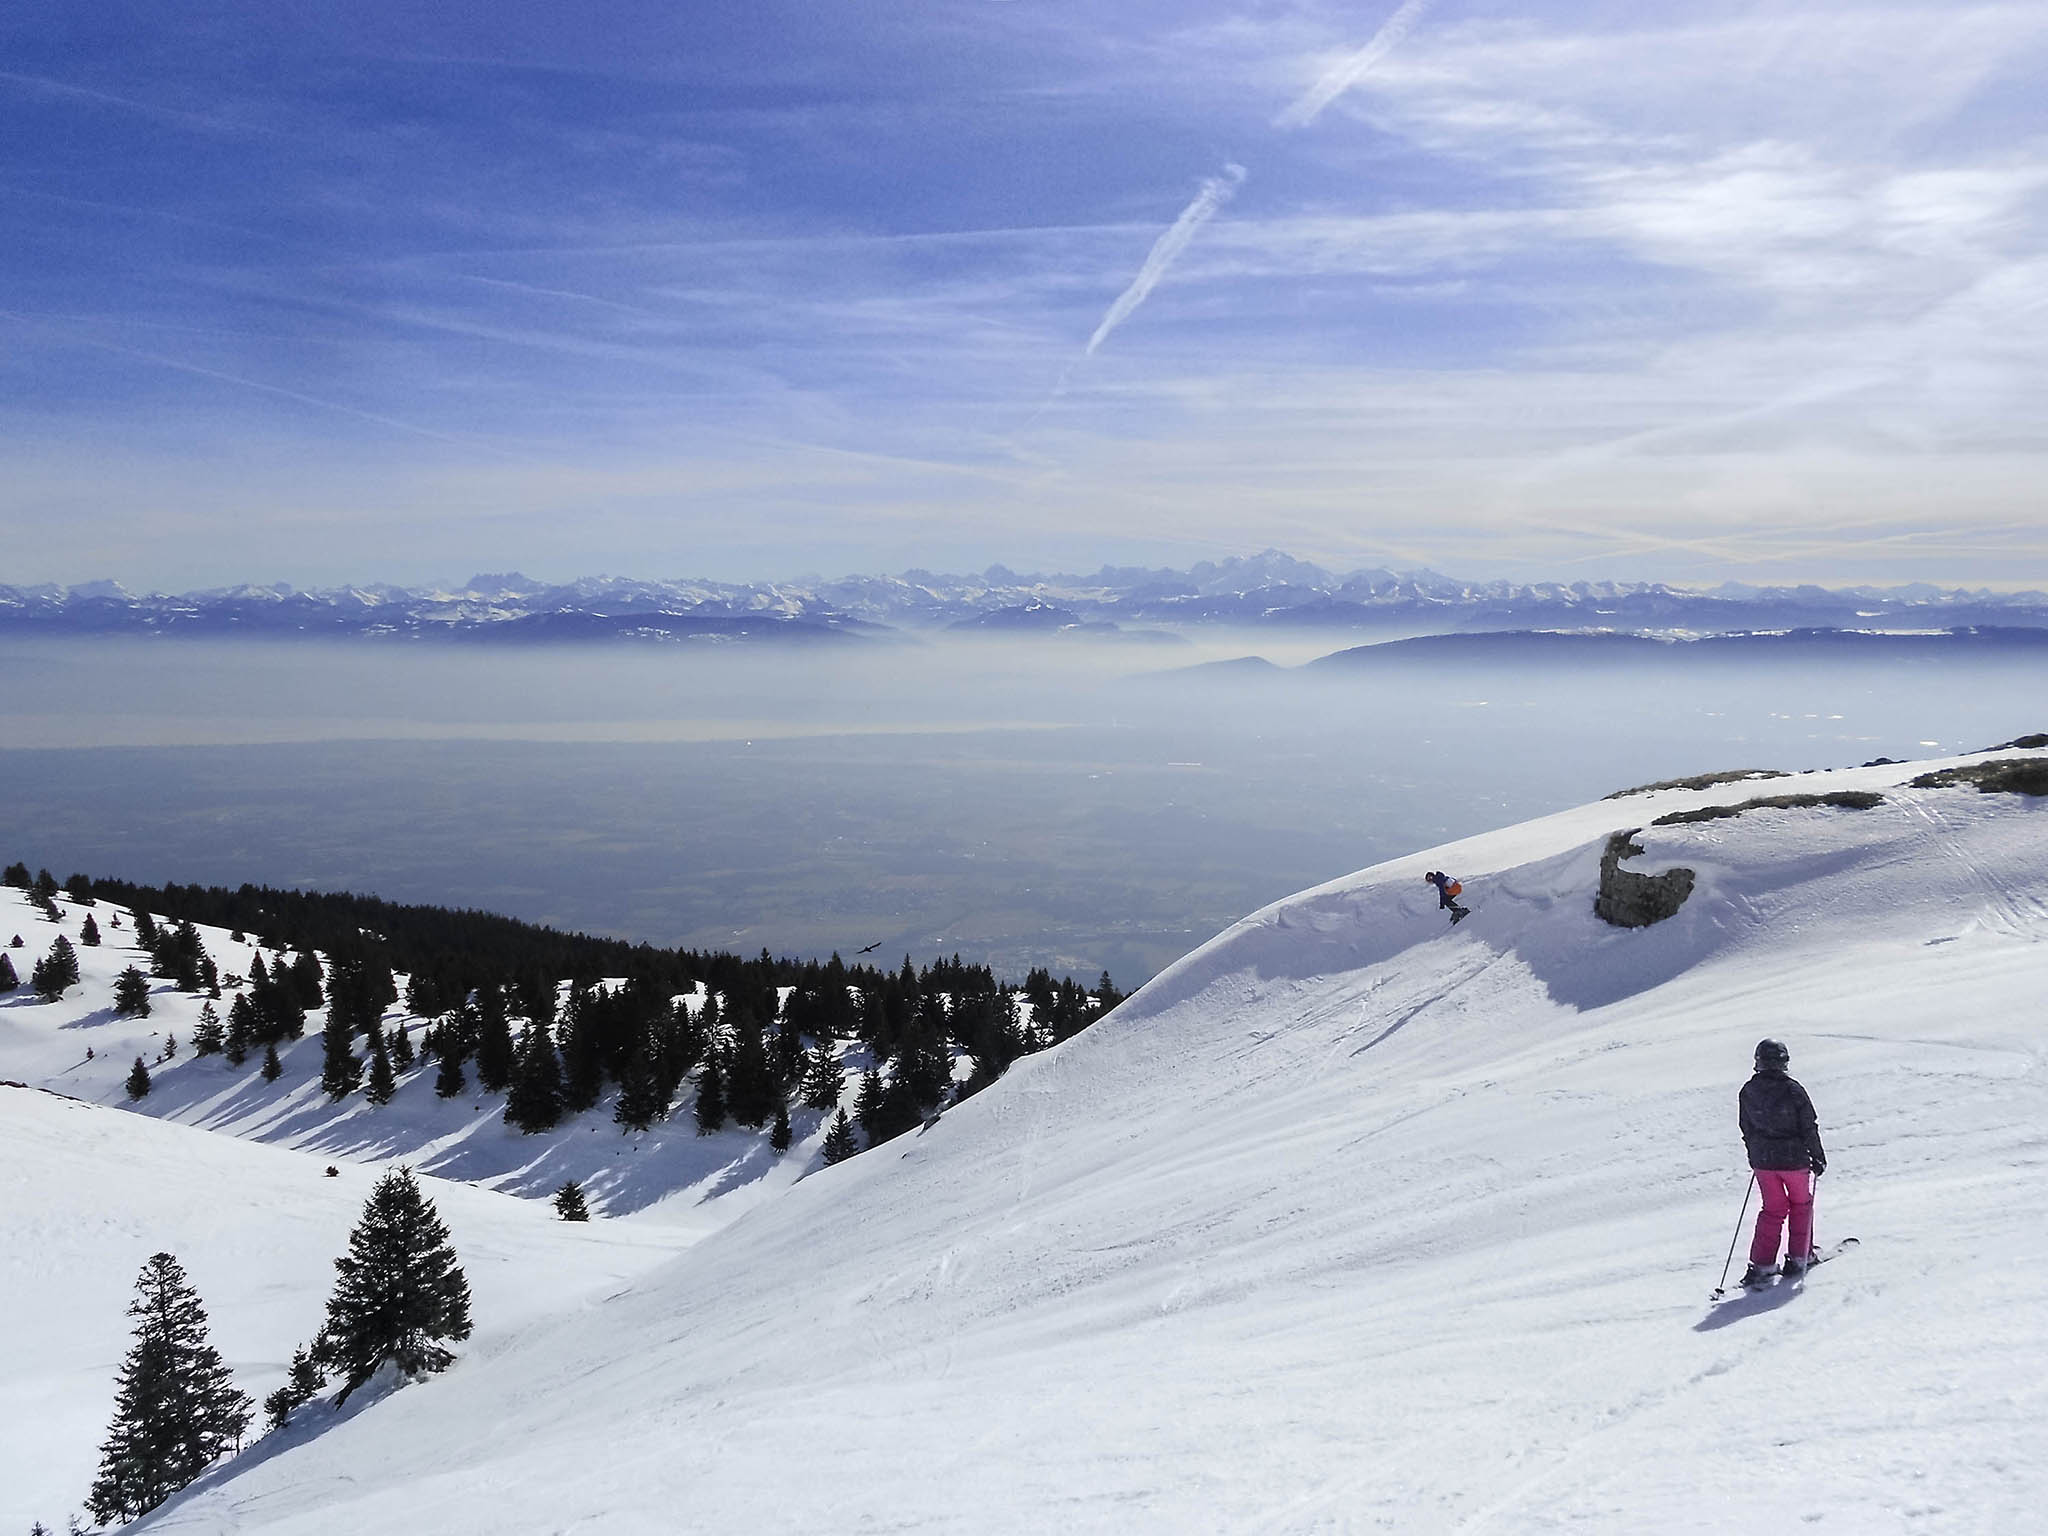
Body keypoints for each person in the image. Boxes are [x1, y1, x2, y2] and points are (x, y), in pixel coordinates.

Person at [1738, 1038, 1827, 1286]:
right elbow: (1808, 1125)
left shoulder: (1748, 1090)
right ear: (1783, 1062)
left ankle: (1762, 1264)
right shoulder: (1792, 1089)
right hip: (1794, 1160)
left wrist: (1753, 1155)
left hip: (1764, 1162)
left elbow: (1746, 1127)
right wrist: (1817, 1155)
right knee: (1801, 1205)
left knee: (1772, 1209)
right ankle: (1800, 1256)